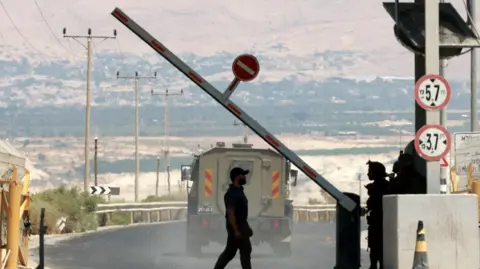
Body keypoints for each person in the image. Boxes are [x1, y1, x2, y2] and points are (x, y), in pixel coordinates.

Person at [213, 167, 253, 269]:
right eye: (242, 175)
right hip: (237, 227)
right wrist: (236, 231)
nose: (244, 177)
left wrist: (246, 227)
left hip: (240, 226)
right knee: (243, 251)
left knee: (232, 252)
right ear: (237, 177)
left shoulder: (238, 191)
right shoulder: (232, 193)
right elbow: (230, 213)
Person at [363, 161, 390, 269]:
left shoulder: (380, 187)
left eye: (370, 171)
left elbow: (374, 203)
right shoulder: (384, 185)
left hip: (379, 224)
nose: (368, 173)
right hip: (379, 223)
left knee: (376, 249)